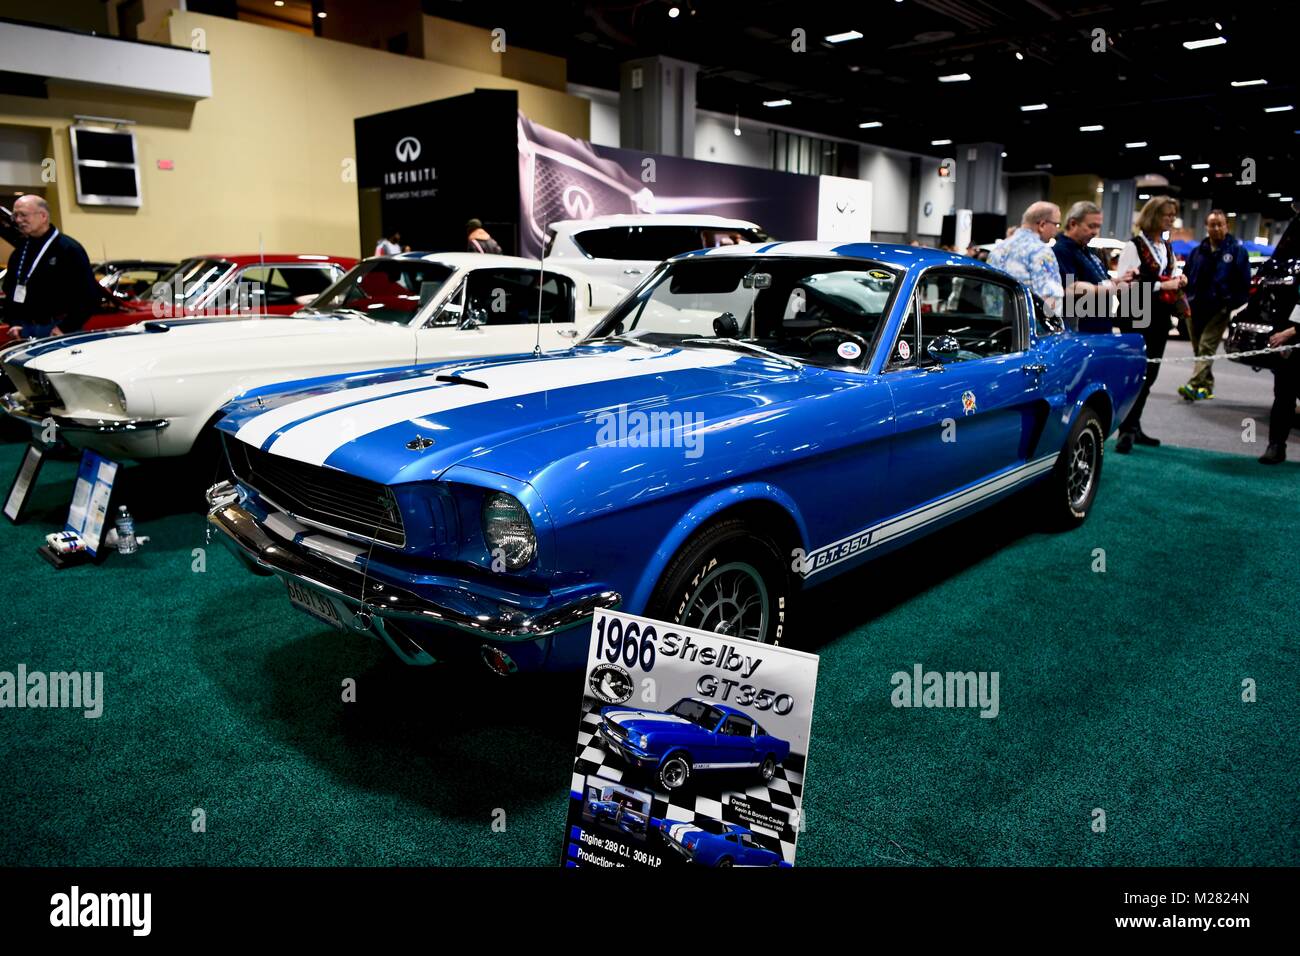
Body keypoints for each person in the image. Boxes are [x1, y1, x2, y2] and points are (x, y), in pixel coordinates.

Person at [1112, 195, 1189, 453]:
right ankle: (1125, 428)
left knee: (1151, 373)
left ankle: (1133, 426)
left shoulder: (1165, 247)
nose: (1171, 219)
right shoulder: (1133, 246)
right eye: (1167, 214)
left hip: (1159, 315)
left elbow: (1169, 273)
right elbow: (1126, 285)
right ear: (1154, 215)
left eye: (1172, 215)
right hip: (1137, 313)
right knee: (1137, 372)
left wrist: (1178, 280)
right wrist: (1160, 285)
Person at [2, 195, 99, 341]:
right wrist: (14, 322)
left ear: (43, 216)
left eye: (23, 215)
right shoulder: (20, 251)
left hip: (60, 329)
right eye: (15, 215)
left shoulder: (68, 249)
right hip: (25, 329)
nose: (18, 220)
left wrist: (65, 328)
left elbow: (89, 296)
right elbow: (11, 289)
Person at [1177, 209, 1250, 401]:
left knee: (1206, 347)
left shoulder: (1237, 252)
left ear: (1227, 226)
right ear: (1206, 227)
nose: (1216, 228)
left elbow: (1244, 283)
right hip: (1194, 307)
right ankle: (1206, 385)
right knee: (1198, 349)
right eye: (1212, 224)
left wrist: (1230, 305)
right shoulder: (1196, 252)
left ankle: (1193, 385)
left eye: (1220, 224)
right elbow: (1186, 277)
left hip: (1219, 309)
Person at [1052, 200, 1137, 332]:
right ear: (1073, 223)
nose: (1095, 231)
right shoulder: (1062, 251)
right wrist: (1110, 288)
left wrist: (1119, 280)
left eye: (1098, 227)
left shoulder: (1087, 250)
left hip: (1100, 325)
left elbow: (1101, 281)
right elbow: (1070, 288)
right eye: (1091, 226)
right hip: (1082, 329)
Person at [986, 201, 1065, 316]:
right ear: (1042, 225)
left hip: (994, 327)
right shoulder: (1040, 250)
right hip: (1027, 330)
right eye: (1057, 224)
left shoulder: (997, 250)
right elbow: (1051, 299)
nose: (1057, 230)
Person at [1259, 304, 1299, 464]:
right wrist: (1281, 336)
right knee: (1283, 397)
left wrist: (1289, 333)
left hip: (1291, 336)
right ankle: (1275, 446)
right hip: (1291, 349)